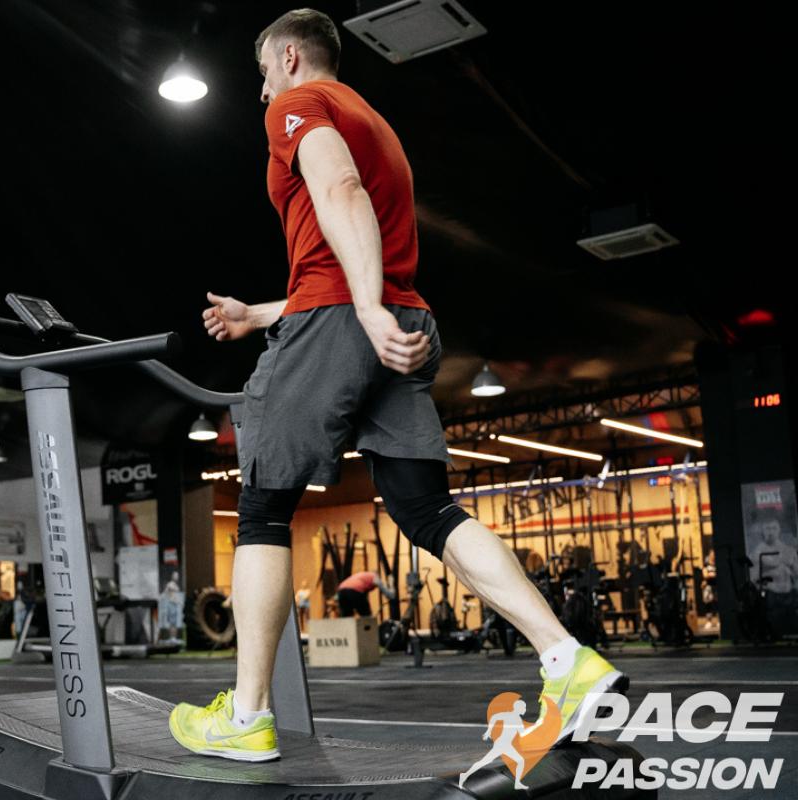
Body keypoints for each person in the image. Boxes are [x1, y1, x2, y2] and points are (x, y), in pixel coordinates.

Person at [168, 9, 626, 764]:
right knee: (424, 506)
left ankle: (246, 715)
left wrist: (364, 307)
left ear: (288, 57)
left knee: (262, 503)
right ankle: (565, 658)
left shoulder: (297, 105)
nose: (259, 94)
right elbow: (347, 241)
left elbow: (340, 193)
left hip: (354, 315)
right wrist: (266, 312)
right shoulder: (372, 118)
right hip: (397, 318)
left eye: (260, 74)